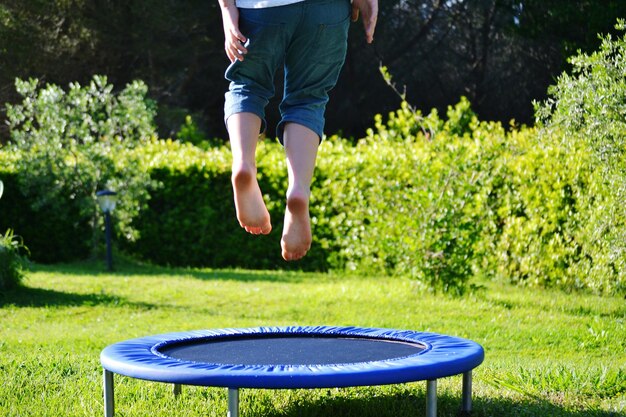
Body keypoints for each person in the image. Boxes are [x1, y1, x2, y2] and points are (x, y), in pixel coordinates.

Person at [218, 0, 378, 261]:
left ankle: (244, 164)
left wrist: (227, 8)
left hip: (262, 7)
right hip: (327, 10)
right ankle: (298, 190)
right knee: (308, 99)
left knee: (248, 85)